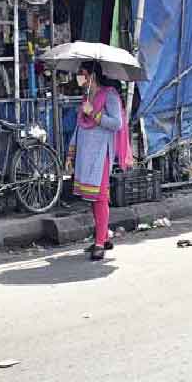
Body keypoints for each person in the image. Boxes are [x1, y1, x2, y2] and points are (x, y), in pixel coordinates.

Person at [66, 61, 132, 261]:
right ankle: (103, 236)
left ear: (92, 75)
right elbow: (79, 127)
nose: (79, 78)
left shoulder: (109, 95)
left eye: (82, 74)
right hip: (85, 155)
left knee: (101, 197)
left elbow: (116, 123)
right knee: (93, 198)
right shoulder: (86, 98)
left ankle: (99, 243)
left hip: (101, 154)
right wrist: (70, 154)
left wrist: (94, 113)